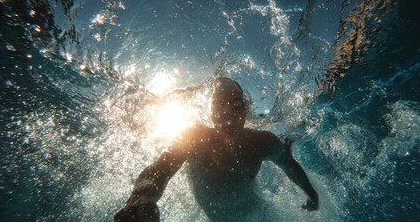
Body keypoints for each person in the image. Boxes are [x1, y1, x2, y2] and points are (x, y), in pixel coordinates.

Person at [114, 77, 319, 222]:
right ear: (211, 112)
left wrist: (311, 193)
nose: (228, 112)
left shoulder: (262, 143)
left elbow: (289, 165)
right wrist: (143, 195)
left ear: (246, 109)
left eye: (236, 103)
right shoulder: (193, 137)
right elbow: (162, 168)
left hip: (259, 215)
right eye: (220, 105)